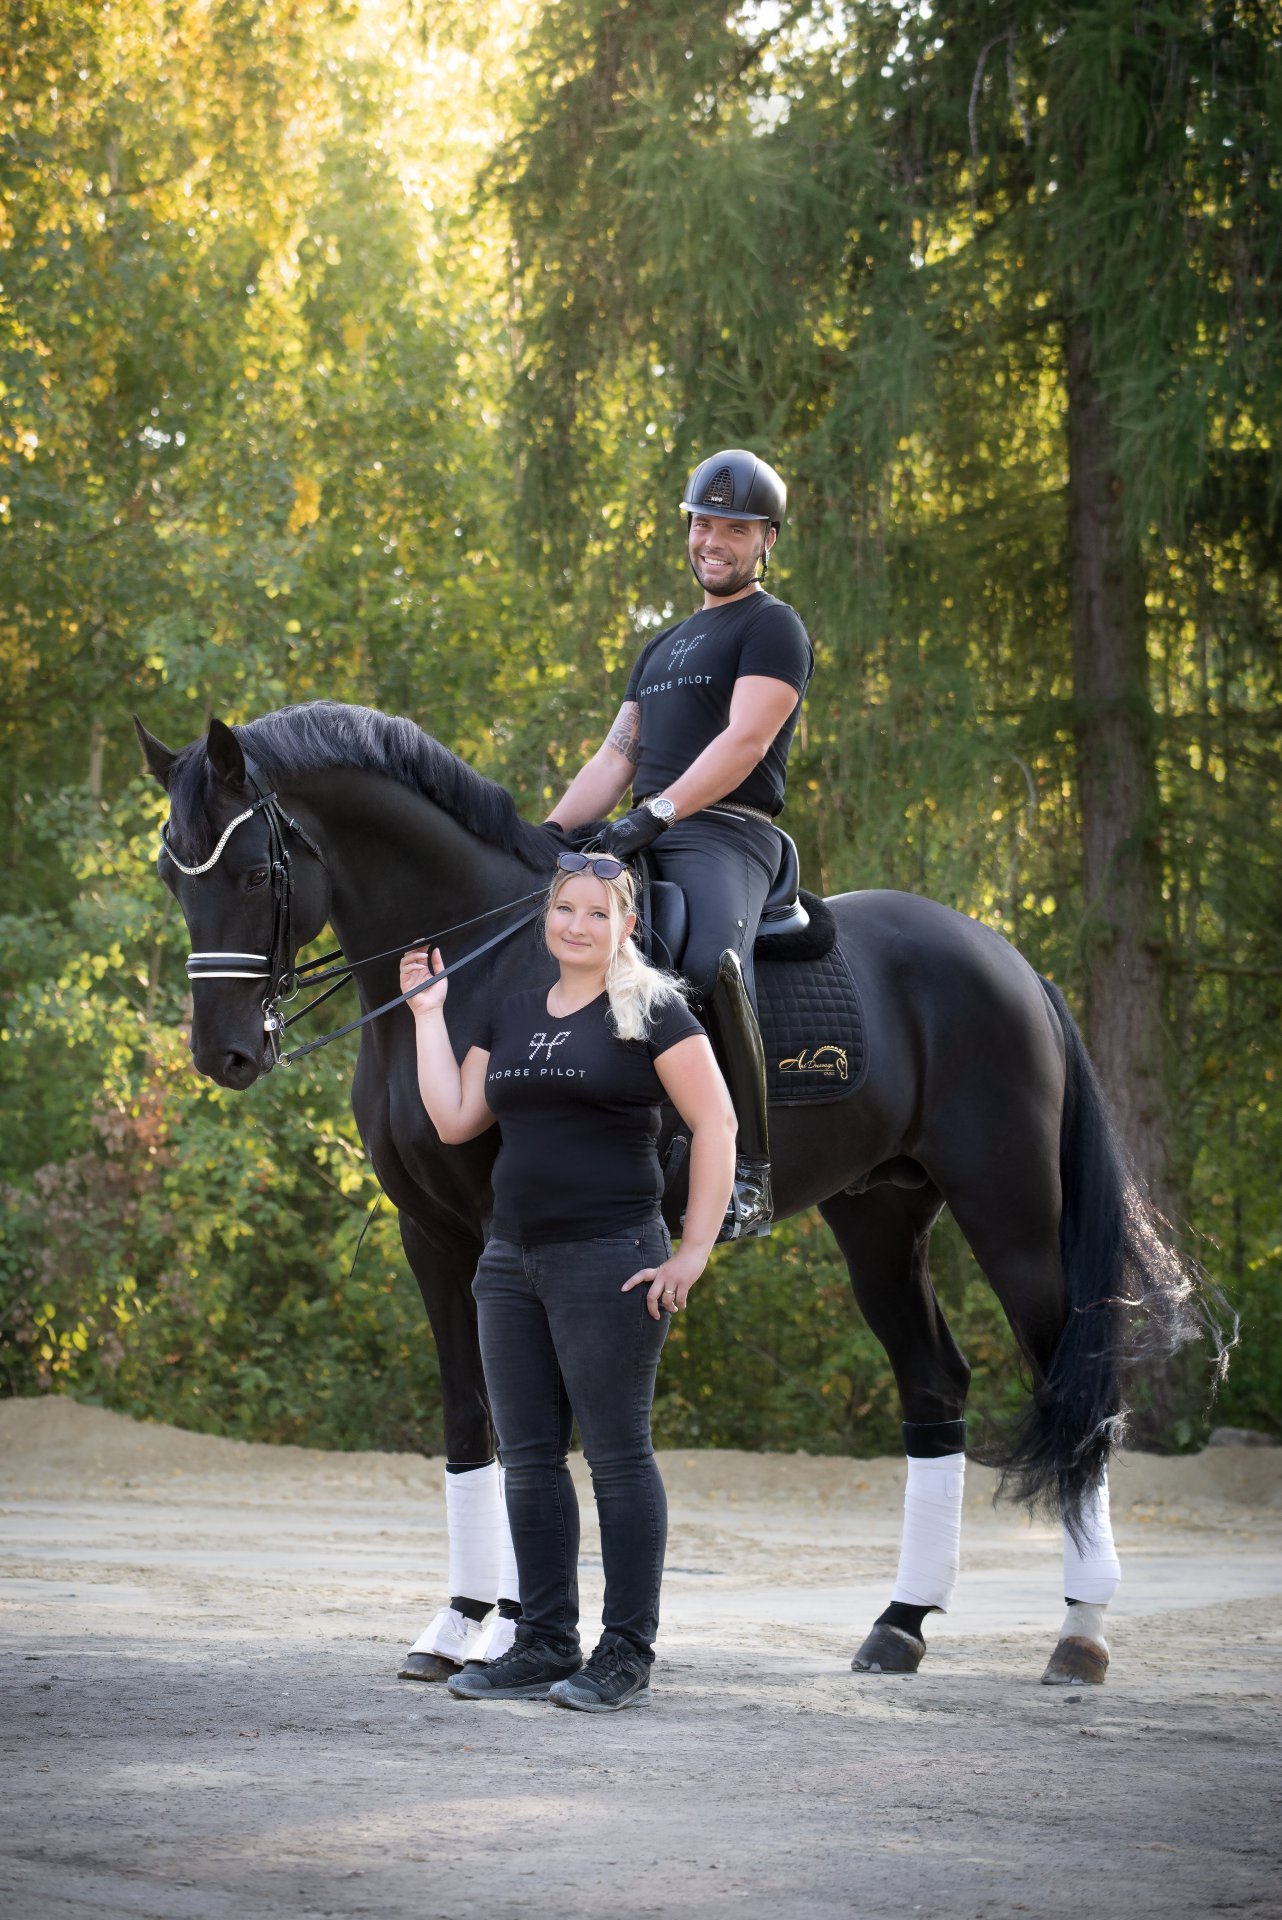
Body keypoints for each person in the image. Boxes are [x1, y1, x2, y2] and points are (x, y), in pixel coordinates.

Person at [398, 852, 736, 1711]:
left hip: (612, 1258)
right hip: (510, 1263)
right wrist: (428, 1015)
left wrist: (693, 1250)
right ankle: (545, 1640)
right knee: (531, 1461)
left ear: (625, 925)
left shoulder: (653, 1010)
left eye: (596, 913)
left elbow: (717, 1122)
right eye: (563, 911)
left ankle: (626, 1651)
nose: (576, 926)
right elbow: (453, 1118)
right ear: (546, 919)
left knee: (618, 1460)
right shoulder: (509, 1013)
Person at [546, 448, 813, 1241]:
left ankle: (748, 1175)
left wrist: (654, 814)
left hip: (727, 833)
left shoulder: (773, 626)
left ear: (766, 539)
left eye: (735, 527)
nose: (714, 540)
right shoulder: (660, 647)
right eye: (703, 523)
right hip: (644, 831)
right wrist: (550, 838)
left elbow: (744, 741)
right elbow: (615, 757)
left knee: (707, 968)